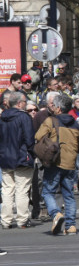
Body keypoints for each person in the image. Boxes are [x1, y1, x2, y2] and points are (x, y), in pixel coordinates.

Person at [37, 94, 79, 235]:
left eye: (54, 106)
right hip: (70, 163)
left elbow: (38, 136)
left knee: (47, 191)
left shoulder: (51, 121)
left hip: (55, 161)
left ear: (59, 108)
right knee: (69, 195)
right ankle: (71, 226)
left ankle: (56, 214)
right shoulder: (76, 123)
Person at [0, 92, 36, 229]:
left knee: (7, 190)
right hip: (22, 157)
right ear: (20, 103)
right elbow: (29, 139)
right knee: (22, 189)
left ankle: (6, 220)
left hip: (5, 157)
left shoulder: (2, 117)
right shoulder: (24, 117)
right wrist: (33, 153)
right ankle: (22, 219)